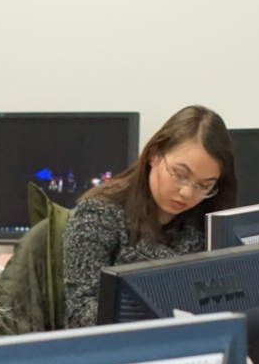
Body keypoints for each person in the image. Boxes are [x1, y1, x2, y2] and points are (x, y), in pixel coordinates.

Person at [62, 105, 237, 328]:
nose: (187, 193)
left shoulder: (207, 224)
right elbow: (79, 314)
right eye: (180, 175)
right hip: (120, 351)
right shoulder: (98, 214)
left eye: (204, 185)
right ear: (154, 154)